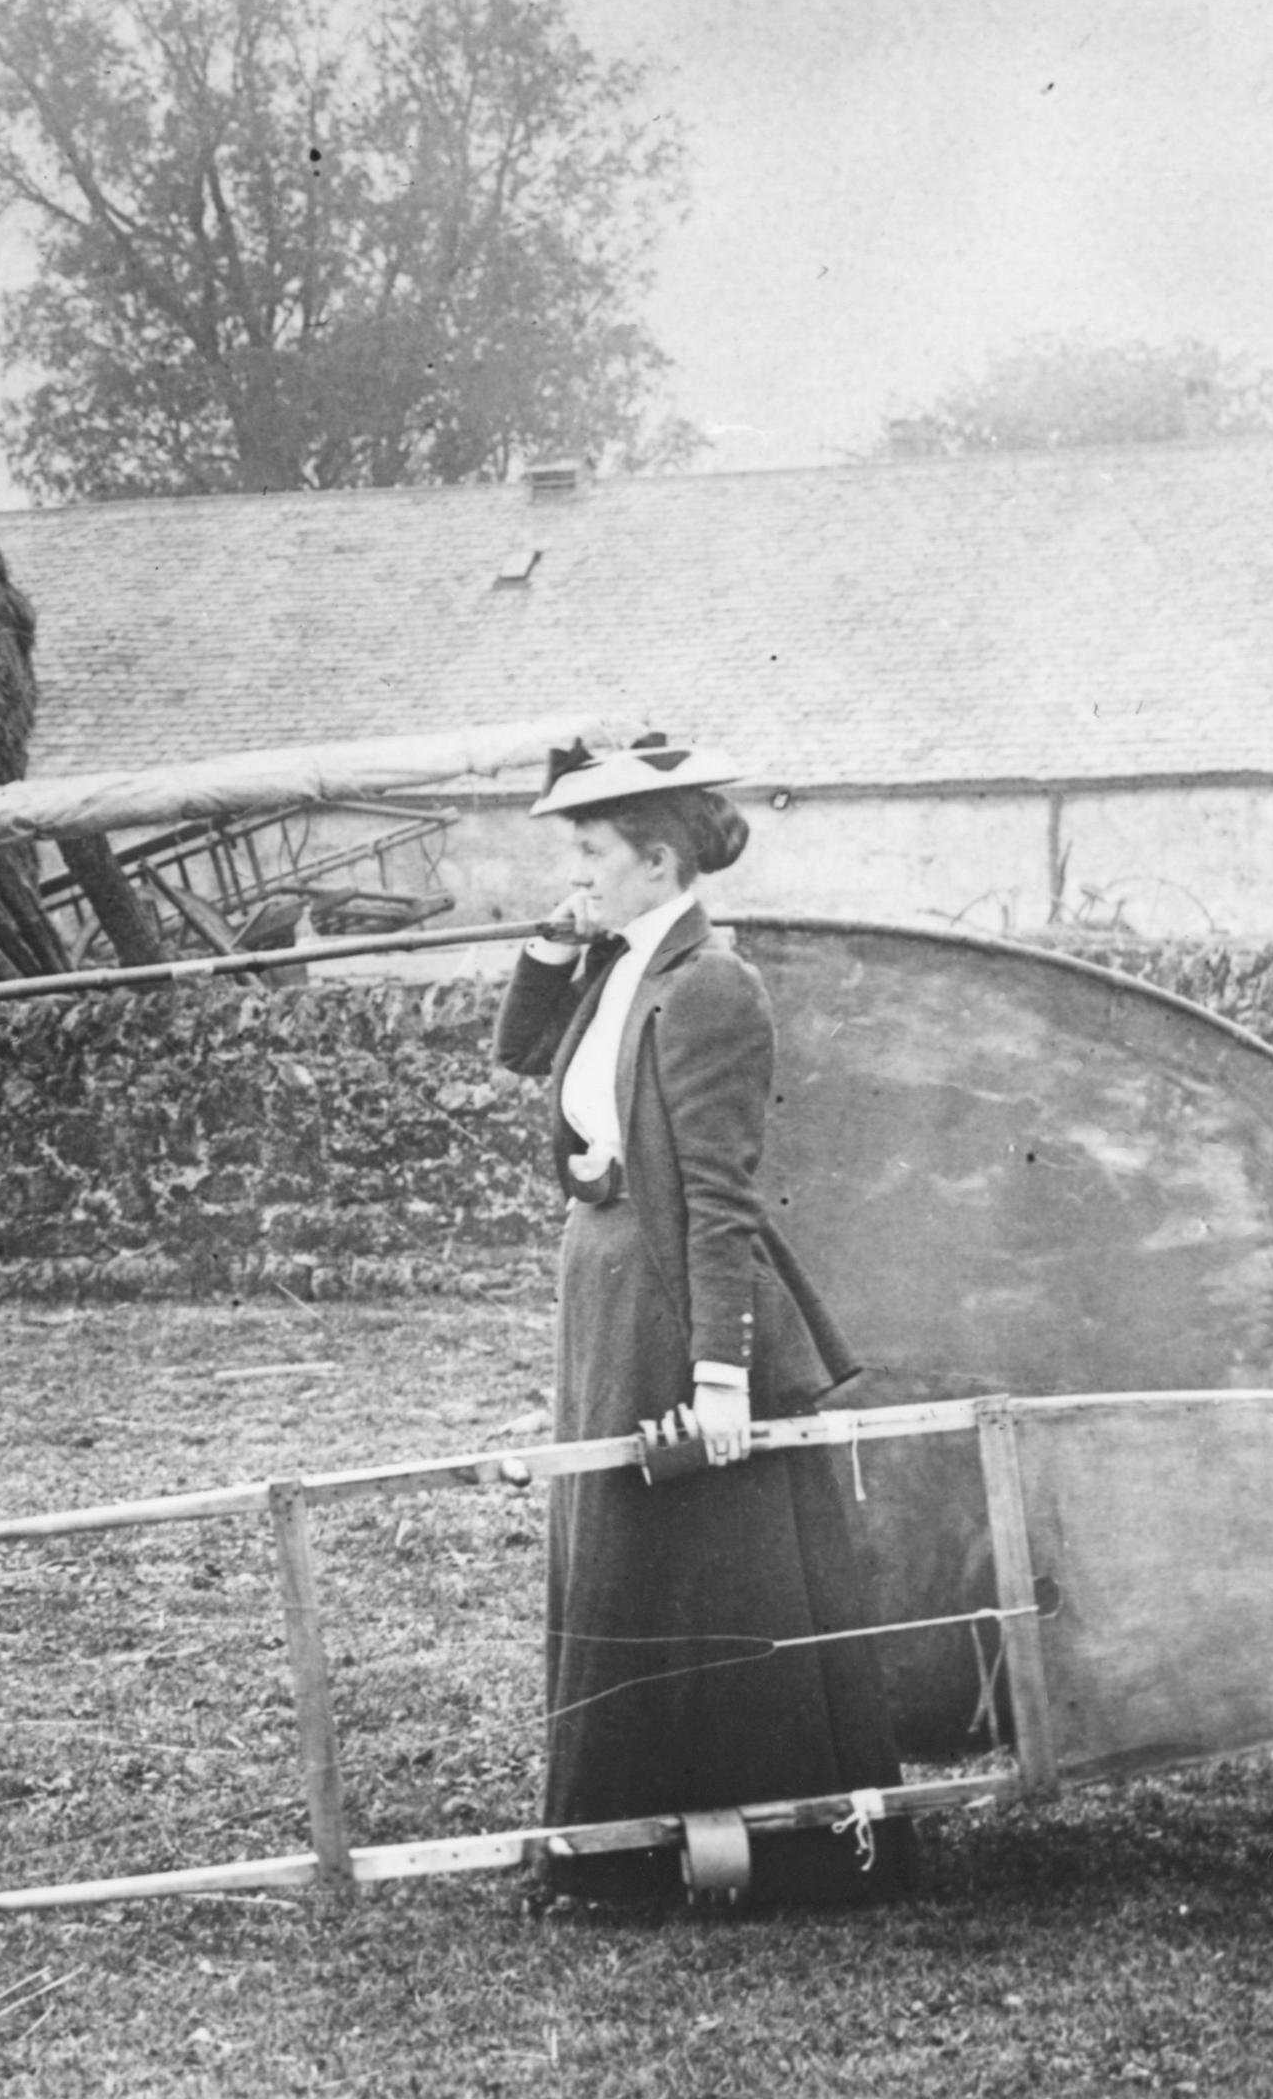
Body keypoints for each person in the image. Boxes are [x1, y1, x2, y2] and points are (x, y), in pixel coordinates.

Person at [491, 732, 899, 1909]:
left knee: (689, 1566)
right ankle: (613, 1847)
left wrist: (721, 1373)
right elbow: (524, 1053)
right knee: (618, 1557)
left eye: (592, 853)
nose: (575, 871)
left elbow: (722, 1195)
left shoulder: (712, 984)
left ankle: (729, 1850)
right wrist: (554, 942)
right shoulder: (619, 962)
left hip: (670, 1292)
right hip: (606, 1281)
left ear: (660, 864)